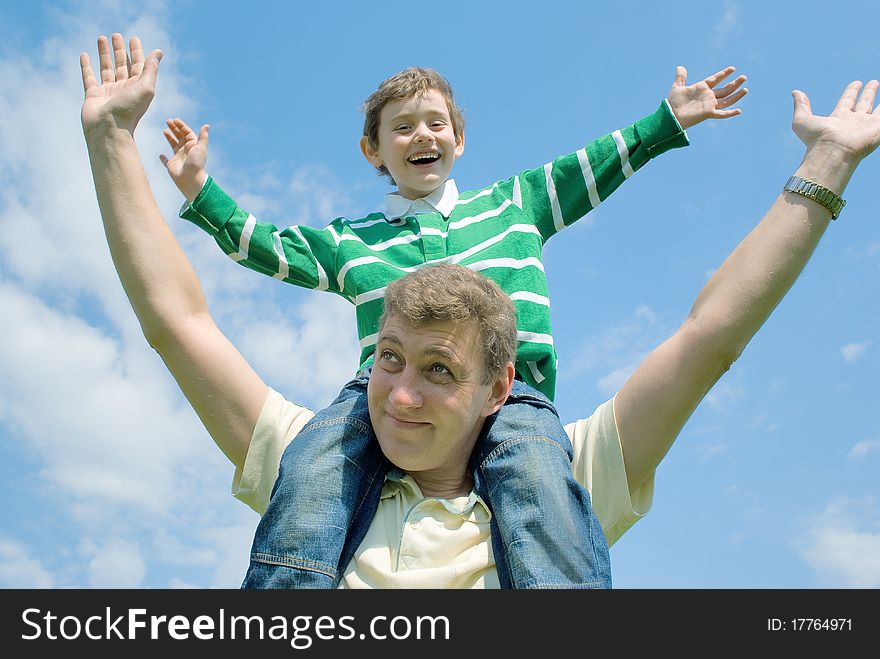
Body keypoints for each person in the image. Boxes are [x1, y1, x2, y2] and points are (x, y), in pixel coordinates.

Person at [80, 33, 880, 589]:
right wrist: (172, 177)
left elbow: (705, 324)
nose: (420, 135)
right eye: (401, 128)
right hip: (347, 433)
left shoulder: (516, 209)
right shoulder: (351, 266)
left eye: (435, 123)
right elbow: (218, 286)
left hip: (529, 405)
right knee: (316, 466)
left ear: (459, 138)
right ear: (374, 151)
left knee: (538, 484)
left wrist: (682, 126)